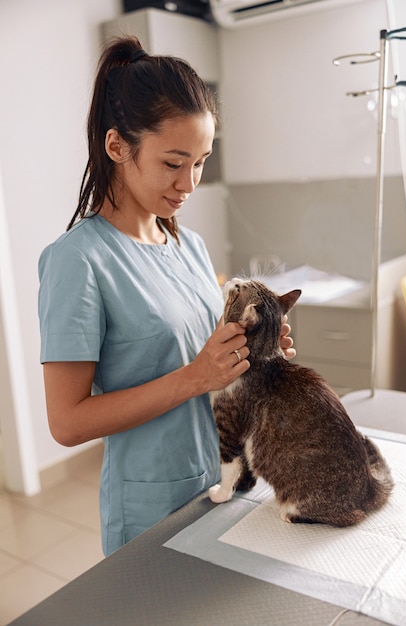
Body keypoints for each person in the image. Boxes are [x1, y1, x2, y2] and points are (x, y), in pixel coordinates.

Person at [38, 36, 295, 556]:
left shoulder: (189, 244)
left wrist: (252, 351)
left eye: (200, 162)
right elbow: (66, 422)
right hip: (153, 501)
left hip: (222, 477)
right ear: (117, 147)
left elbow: (201, 357)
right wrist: (196, 377)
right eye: (173, 162)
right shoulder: (78, 260)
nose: (190, 183)